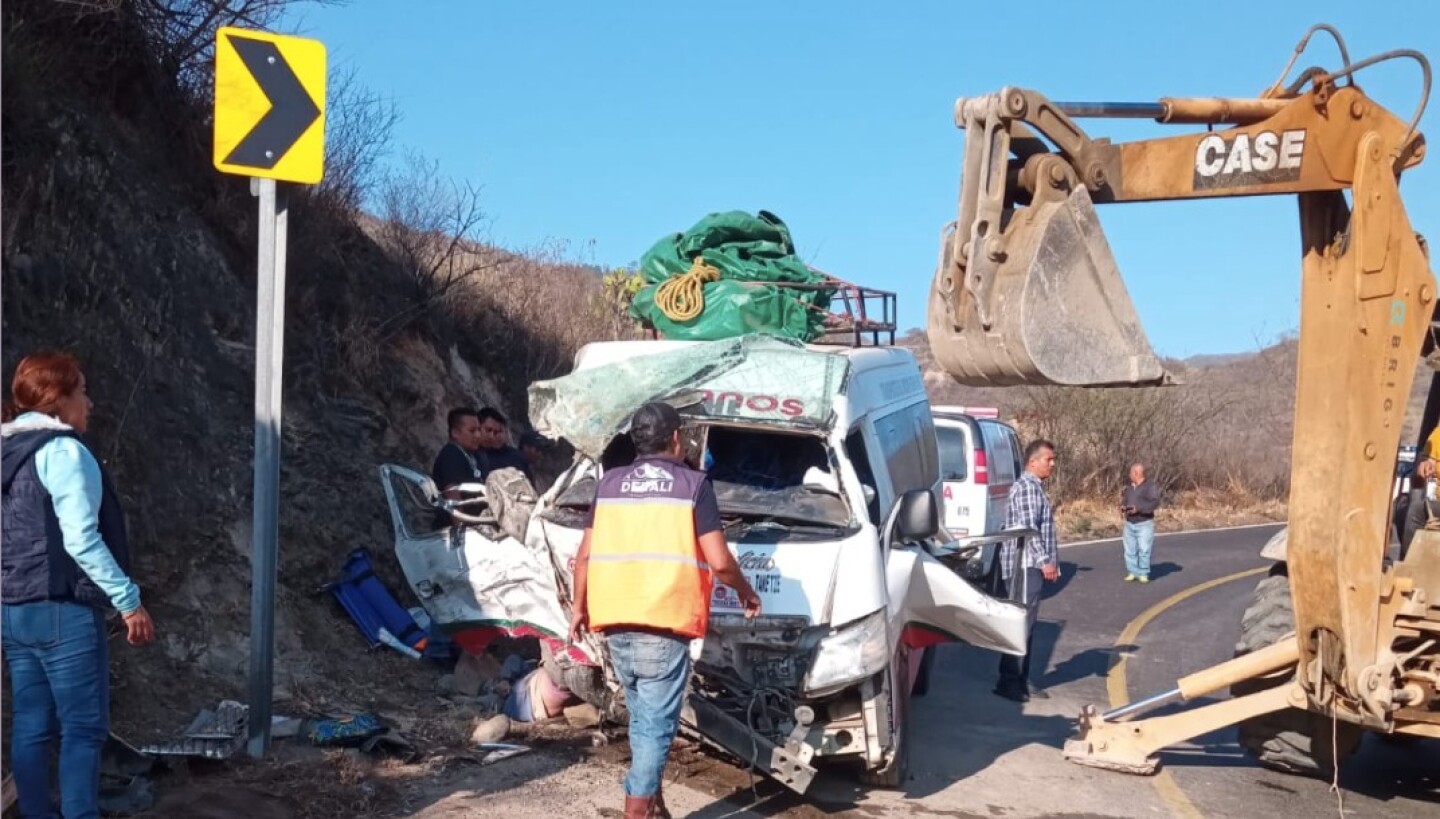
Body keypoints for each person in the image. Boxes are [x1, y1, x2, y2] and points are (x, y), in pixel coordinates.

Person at [568, 402, 761, 819]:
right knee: (655, 729)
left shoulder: (609, 484)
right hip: (663, 621)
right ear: (676, 439)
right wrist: (746, 592)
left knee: (642, 719)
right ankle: (636, 812)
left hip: (615, 621)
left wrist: (578, 608)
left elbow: (584, 557)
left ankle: (653, 807)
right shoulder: (693, 485)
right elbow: (721, 561)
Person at [2, 352, 157, 819]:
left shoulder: (7, 455)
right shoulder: (64, 452)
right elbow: (81, 540)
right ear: (58, 399)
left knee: (31, 726)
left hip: (13, 609)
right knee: (84, 729)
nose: (89, 402)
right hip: (64, 610)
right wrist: (129, 601)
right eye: (82, 392)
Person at [994, 438, 1060, 704]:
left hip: (1029, 565)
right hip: (1024, 565)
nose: (1052, 464)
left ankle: (1021, 679)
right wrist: (1045, 561)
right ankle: (1009, 680)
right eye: (1049, 459)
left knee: (1027, 624)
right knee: (1020, 624)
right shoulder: (1027, 488)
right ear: (1033, 461)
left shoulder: (1034, 488)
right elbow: (1028, 528)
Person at [1120, 463, 1162, 583]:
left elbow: (1155, 502)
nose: (1129, 475)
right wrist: (1123, 507)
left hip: (1144, 523)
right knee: (1129, 550)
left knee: (1144, 549)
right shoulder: (1129, 488)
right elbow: (1124, 501)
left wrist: (1139, 508)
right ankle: (1132, 571)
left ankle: (1143, 573)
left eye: (1130, 473)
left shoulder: (1150, 487)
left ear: (1136, 473)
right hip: (1129, 523)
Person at [476, 406, 532, 482]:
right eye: (488, 430)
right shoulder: (469, 455)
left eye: (496, 432)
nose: (492, 436)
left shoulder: (516, 457)